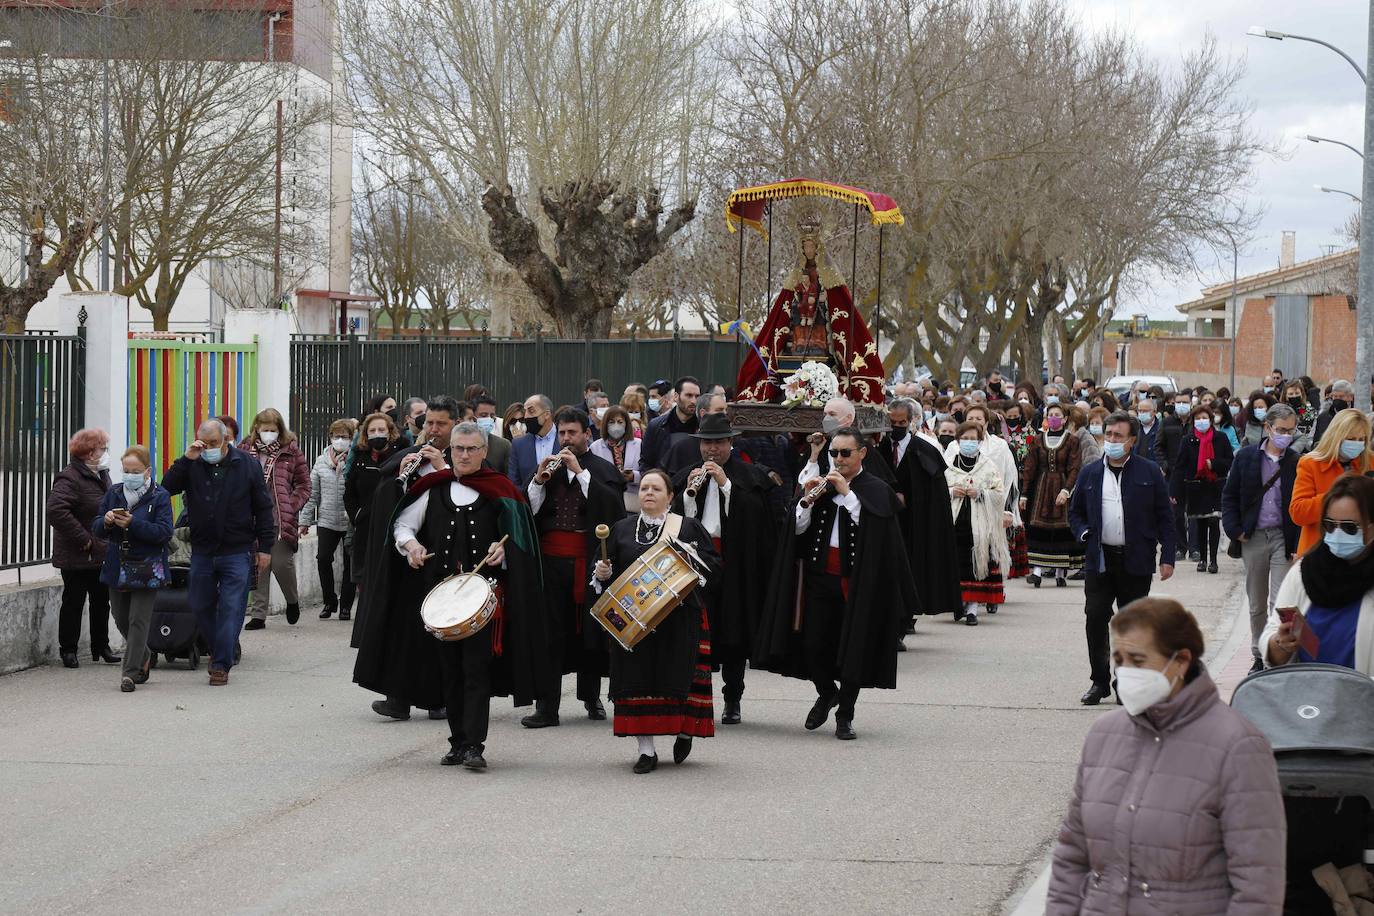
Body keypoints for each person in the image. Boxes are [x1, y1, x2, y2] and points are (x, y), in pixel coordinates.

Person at [1047, 597, 1285, 913]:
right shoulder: (1104, 735)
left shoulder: (1238, 747)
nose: (1126, 672)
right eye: (1119, 659)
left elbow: (1258, 886)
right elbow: (1071, 857)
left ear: (1181, 661)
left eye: (1138, 659)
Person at [379, 422, 551, 768]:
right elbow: (403, 525)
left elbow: (517, 538)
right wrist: (411, 546)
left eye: (472, 449)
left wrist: (502, 553)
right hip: (439, 597)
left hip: (482, 598)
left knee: (475, 669)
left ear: (484, 451)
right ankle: (457, 742)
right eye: (459, 448)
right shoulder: (432, 486)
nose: (465, 455)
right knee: (449, 670)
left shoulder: (499, 489)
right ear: (450, 450)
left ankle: (474, 744)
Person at [754, 427, 917, 739]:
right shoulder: (822, 487)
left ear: (862, 454)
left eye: (845, 453)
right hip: (819, 577)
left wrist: (848, 494)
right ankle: (828, 692)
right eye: (834, 453)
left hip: (857, 581)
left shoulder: (874, 488)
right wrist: (805, 502)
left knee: (853, 647)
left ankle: (846, 714)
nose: (838, 459)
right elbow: (798, 532)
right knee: (813, 644)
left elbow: (876, 530)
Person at [592, 470, 721, 772]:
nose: (648, 493)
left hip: (680, 617)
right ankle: (646, 750)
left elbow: (713, 566)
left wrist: (690, 559)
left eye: (656, 488)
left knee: (681, 677)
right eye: (644, 488)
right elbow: (605, 569)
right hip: (636, 620)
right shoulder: (622, 529)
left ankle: (686, 730)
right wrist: (601, 574)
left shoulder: (687, 527)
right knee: (638, 681)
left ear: (670, 496)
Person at [670, 413, 781, 723]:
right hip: (694, 561)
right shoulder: (686, 474)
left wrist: (725, 485)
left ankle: (733, 699)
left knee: (733, 634)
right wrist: (689, 494)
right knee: (692, 632)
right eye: (707, 442)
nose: (712, 449)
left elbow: (755, 519)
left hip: (733, 563)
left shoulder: (749, 475)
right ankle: (691, 698)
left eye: (718, 442)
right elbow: (679, 520)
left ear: (730, 443)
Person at [520, 408, 625, 728]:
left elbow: (612, 507)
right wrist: (537, 481)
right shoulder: (548, 468)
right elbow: (530, 511)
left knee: (591, 633)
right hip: (551, 564)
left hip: (590, 562)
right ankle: (547, 707)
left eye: (572, 433)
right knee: (550, 633)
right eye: (562, 433)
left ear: (586, 435)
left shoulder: (602, 469)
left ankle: (591, 698)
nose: (566, 439)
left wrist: (580, 472)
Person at [1068, 412, 1175, 705]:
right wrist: (1084, 533)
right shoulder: (1091, 472)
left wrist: (1168, 556)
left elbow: (1165, 517)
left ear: (1131, 441)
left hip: (1136, 560)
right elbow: (1075, 513)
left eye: (1118, 436)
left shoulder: (1149, 472)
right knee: (1096, 617)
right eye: (1108, 434)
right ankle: (1099, 681)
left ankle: (1124, 682)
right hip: (1100, 560)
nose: (1111, 441)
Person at [162, 419, 276, 686]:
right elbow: (167, 488)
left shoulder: (246, 465)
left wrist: (266, 547)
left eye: (214, 443)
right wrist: (187, 459)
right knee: (200, 604)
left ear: (226, 440)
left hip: (237, 549)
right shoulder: (193, 464)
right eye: (205, 444)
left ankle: (221, 664)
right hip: (202, 550)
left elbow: (263, 507)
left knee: (231, 606)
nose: (209, 448)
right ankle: (219, 648)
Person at [1262, 476, 1374, 674]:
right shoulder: (1305, 571)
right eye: (1330, 525)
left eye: (1349, 527)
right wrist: (1280, 644)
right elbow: (1273, 632)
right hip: (1307, 698)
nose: (1338, 534)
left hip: (1363, 700)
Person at [1222, 404, 1300, 674]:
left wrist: (1297, 539)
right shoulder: (1246, 457)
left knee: (1281, 602)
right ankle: (1258, 652)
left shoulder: (1295, 460)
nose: (1285, 436)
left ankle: (1279, 654)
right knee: (1256, 602)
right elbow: (1230, 496)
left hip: (1282, 536)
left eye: (1290, 431)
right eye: (1280, 430)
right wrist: (1235, 529)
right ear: (1267, 428)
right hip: (1253, 537)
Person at [92, 445, 173, 692]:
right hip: (117, 564)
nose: (130, 474)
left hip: (148, 566)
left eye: (135, 470)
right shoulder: (114, 493)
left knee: (138, 619)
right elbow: (95, 527)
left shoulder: (159, 496)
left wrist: (134, 523)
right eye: (126, 470)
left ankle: (130, 673)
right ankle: (144, 654)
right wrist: (105, 522)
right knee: (120, 618)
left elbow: (164, 532)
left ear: (147, 471)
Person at [879, 399, 962, 624]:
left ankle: (907, 616)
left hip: (915, 524)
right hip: (884, 521)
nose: (896, 427)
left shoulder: (924, 451)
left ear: (911, 421)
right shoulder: (878, 449)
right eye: (892, 422)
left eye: (902, 422)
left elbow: (936, 495)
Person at [47, 428, 116, 669]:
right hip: (77, 552)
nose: (106, 453)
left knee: (101, 600)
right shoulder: (70, 477)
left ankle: (101, 646)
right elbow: (56, 510)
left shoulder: (101, 474)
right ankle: (68, 650)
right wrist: (84, 539)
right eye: (103, 449)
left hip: (99, 550)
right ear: (89, 453)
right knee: (74, 601)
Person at [239, 408, 310, 630]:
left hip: (279, 516)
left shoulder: (290, 450)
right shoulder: (244, 449)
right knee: (259, 564)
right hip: (251, 517)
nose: (268, 433)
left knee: (281, 563)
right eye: (265, 429)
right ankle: (259, 614)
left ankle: (292, 600)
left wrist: (291, 504)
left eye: (273, 429)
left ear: (280, 429)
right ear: (256, 429)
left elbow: (304, 485)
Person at [343, 411, 403, 630]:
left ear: (390, 432)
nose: (378, 434)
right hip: (365, 526)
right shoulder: (359, 458)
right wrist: (356, 515)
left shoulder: (400, 457)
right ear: (365, 435)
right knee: (364, 575)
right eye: (372, 431)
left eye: (382, 430)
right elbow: (349, 492)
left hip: (391, 526)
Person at [945, 422, 1010, 625]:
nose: (969, 442)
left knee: (976, 566)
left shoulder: (988, 466)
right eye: (965, 439)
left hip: (980, 526)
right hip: (954, 523)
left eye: (973, 439)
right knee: (956, 565)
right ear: (957, 441)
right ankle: (958, 603)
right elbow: (936, 492)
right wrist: (951, 492)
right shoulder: (948, 465)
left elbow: (999, 494)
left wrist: (981, 493)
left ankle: (972, 608)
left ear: (980, 441)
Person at [1290, 408, 1374, 556]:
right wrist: (1336, 496)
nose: (1357, 444)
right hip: (1319, 552)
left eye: (1362, 440)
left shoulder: (1370, 462)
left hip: (1362, 553)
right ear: (1336, 436)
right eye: (1351, 439)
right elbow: (1298, 512)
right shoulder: (1310, 463)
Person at [1020, 402, 1084, 588]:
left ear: (1064, 419)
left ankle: (1060, 572)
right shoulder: (1038, 439)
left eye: (1057, 415)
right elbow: (1030, 467)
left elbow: (1075, 467)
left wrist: (1067, 489)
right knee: (1040, 528)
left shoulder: (1072, 441)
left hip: (1062, 485)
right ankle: (1037, 571)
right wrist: (1024, 494)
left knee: (1062, 529)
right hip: (1041, 487)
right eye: (1050, 414)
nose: (1053, 418)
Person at [300, 419, 356, 621]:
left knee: (350, 564)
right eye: (336, 436)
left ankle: (346, 606)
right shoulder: (321, 461)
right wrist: (304, 521)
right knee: (323, 559)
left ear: (352, 438)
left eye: (345, 436)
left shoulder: (355, 460)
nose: (340, 440)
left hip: (350, 521)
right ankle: (329, 601)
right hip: (326, 520)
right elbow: (312, 494)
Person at [1169, 403, 1233, 575]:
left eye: (1204, 418)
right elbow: (1180, 467)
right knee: (1201, 523)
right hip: (1195, 487)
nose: (1201, 421)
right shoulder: (1188, 440)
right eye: (1198, 418)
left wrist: (1214, 464)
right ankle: (1202, 558)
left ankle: (1213, 560)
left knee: (1213, 522)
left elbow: (1229, 460)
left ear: (1211, 420)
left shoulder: (1220, 438)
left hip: (1215, 485)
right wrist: (1174, 491)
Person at [640, 376, 701, 474]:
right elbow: (646, 463)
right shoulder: (656, 426)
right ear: (676, 396)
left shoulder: (702, 427)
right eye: (689, 395)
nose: (693, 401)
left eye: (697, 396)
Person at [507, 394, 557, 487]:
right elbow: (513, 484)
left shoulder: (566, 438)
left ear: (546, 414)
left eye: (531, 411)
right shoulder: (518, 444)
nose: (526, 416)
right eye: (525, 411)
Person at [470, 395, 510, 473]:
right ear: (473, 417)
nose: (489, 419)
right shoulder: (460, 443)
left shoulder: (504, 445)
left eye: (492, 416)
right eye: (483, 415)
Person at [1313, 378, 1357, 446]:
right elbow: (1316, 441)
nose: (1337, 399)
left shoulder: (1357, 417)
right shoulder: (1324, 417)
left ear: (1350, 397)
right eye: (1335, 396)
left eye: (1341, 396)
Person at [1280, 379, 1317, 453]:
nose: (1294, 396)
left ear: (1302, 394)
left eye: (1297, 393)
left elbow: (1312, 434)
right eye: (1290, 394)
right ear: (1286, 396)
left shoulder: (1309, 411)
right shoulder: (1281, 411)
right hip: (1284, 450)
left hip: (1306, 451)